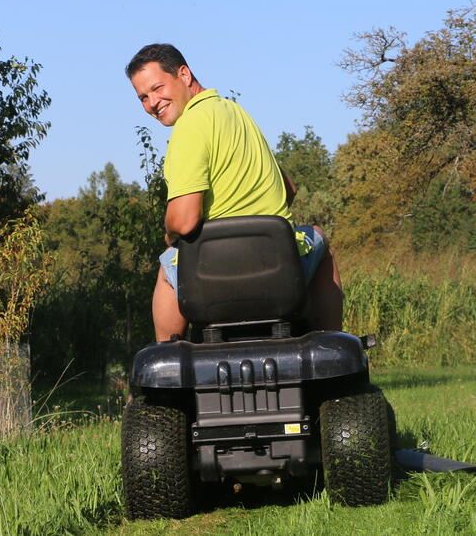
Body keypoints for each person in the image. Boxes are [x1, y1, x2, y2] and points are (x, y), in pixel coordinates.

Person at [126, 43, 343, 341]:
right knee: (318, 238)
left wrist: (169, 230)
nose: (152, 102)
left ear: (184, 75)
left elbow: (185, 220)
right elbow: (288, 189)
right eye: (143, 97)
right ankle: (332, 344)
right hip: (277, 271)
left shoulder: (188, 127)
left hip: (213, 277)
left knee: (168, 266)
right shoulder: (237, 114)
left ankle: (167, 361)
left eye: (157, 88)